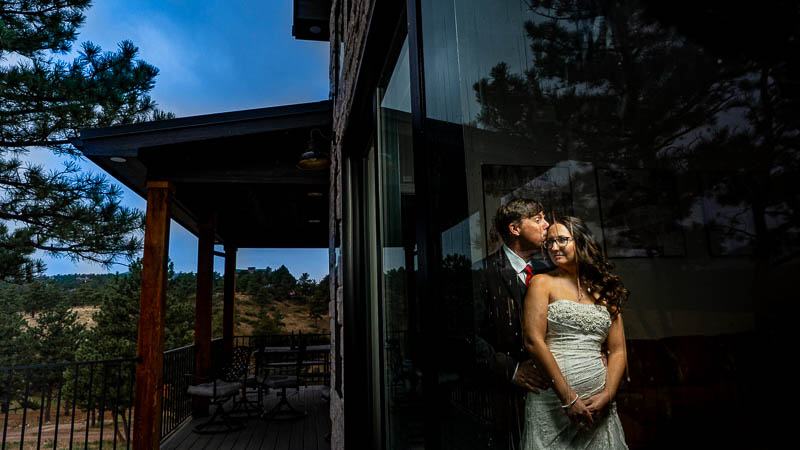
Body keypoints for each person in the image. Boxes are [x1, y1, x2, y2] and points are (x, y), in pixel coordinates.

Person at [521, 216, 628, 449]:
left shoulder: (604, 290)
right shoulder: (542, 283)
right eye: (549, 242)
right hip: (553, 402)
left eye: (561, 240)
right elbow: (533, 341)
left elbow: (618, 350)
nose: (553, 247)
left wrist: (608, 394)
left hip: (599, 406)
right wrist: (568, 398)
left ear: (580, 241)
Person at [477, 198, 553, 450]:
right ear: (515, 228)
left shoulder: (551, 270)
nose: (547, 224)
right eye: (538, 219)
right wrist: (512, 370)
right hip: (506, 397)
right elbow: (466, 336)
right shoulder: (482, 272)